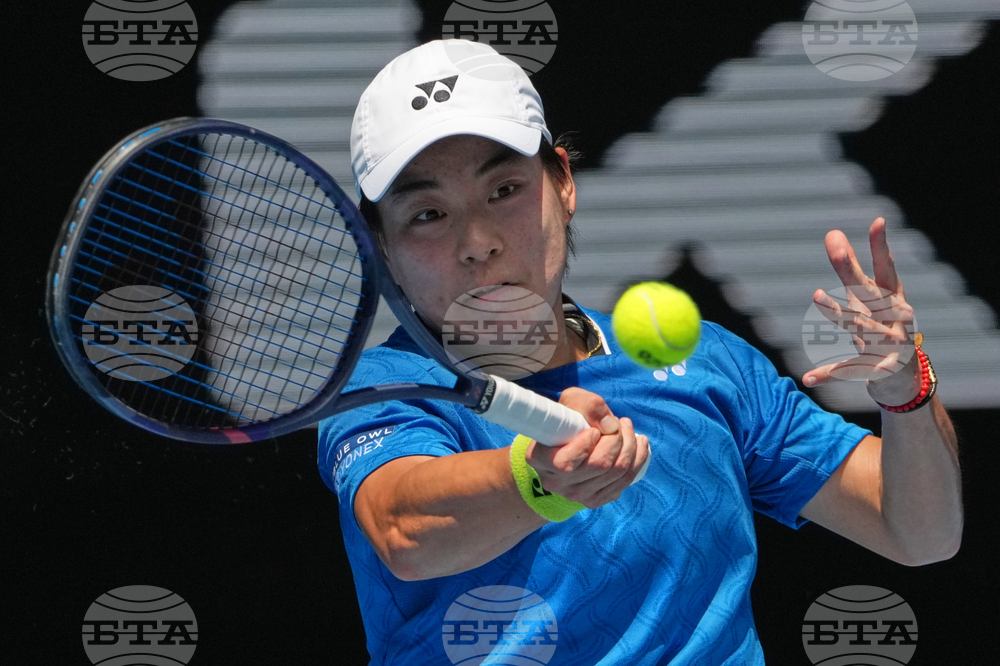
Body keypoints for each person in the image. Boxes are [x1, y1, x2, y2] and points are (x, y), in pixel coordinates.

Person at [318, 40, 962, 665]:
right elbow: (404, 530)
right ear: (381, 244)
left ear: (563, 182)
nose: (477, 241)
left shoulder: (711, 365)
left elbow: (919, 532)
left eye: (504, 190)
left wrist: (906, 392)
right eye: (427, 215)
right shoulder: (388, 388)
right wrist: (539, 479)